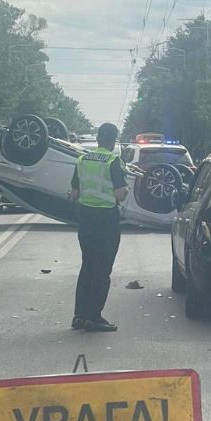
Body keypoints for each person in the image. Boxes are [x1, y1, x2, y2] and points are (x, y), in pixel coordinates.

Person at [67, 122, 127, 332]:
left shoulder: (82, 160)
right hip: (106, 221)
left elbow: (74, 194)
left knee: (88, 266)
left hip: (86, 220)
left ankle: (80, 316)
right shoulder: (113, 161)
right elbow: (120, 194)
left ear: (99, 138)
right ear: (112, 140)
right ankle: (94, 317)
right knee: (102, 270)